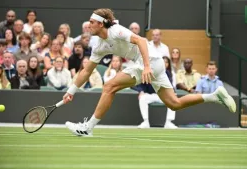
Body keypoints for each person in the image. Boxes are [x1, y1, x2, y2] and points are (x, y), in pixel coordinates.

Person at [62, 8, 236, 137]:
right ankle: (214, 96)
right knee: (174, 103)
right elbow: (86, 71)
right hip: (154, 64)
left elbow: (141, 41)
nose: (88, 25)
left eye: (91, 22)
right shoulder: (98, 45)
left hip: (150, 61)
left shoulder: (116, 30)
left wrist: (146, 66)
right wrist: (71, 91)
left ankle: (88, 127)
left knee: (109, 85)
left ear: (100, 23)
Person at [137, 56, 178, 129]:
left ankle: (168, 122)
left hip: (162, 96)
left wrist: (172, 93)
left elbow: (170, 86)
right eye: (163, 62)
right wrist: (141, 91)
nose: (165, 64)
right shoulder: (150, 71)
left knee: (173, 99)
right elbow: (141, 84)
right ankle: (145, 121)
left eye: (166, 62)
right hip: (151, 95)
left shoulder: (168, 73)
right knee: (142, 98)